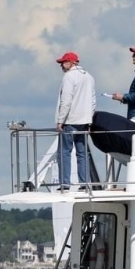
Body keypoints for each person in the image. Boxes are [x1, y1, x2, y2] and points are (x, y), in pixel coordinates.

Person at [55, 51, 96, 187]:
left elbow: (66, 100)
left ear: (70, 63)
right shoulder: (89, 77)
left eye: (63, 62)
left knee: (64, 152)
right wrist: (90, 120)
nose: (61, 65)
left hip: (70, 120)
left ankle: (65, 183)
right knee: (82, 153)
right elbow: (93, 101)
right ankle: (84, 182)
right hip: (84, 121)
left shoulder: (69, 77)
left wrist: (60, 120)